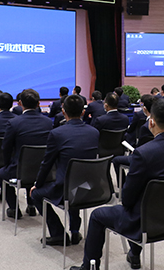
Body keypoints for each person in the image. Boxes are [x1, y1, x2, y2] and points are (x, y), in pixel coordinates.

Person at [69, 99, 164, 270]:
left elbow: (128, 199)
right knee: (142, 204)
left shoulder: (143, 153)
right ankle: (134, 254)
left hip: (147, 223)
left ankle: (88, 267)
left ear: (151, 122)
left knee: (98, 215)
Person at [30, 95, 99, 246]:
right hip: (90, 188)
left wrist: (37, 184)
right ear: (83, 112)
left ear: (63, 111)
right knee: (75, 182)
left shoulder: (57, 133)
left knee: (36, 194)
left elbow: (46, 163)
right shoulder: (94, 132)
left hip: (66, 190)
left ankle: (58, 234)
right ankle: (74, 231)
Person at [0, 89, 53, 218]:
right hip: (44, 170)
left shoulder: (14, 123)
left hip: (19, 170)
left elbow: (6, 148)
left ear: (20, 103)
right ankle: (31, 205)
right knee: (31, 169)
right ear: (38, 104)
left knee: (1, 175)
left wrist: (7, 165)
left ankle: (14, 209)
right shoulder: (48, 122)